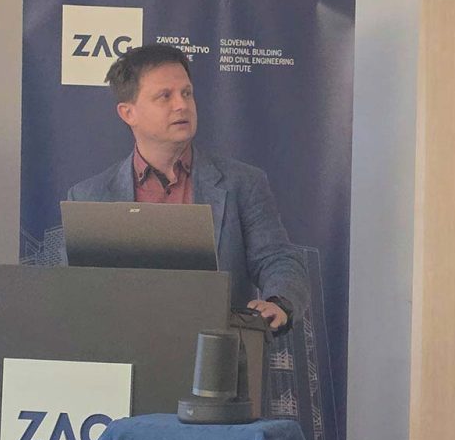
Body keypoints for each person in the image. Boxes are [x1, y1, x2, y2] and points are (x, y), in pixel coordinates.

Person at [67, 44, 305, 333]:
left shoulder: (243, 183)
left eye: (187, 93)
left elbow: (276, 258)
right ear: (128, 113)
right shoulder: (90, 197)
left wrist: (279, 302)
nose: (181, 105)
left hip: (218, 352)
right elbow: (76, 294)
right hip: (124, 351)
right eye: (164, 96)